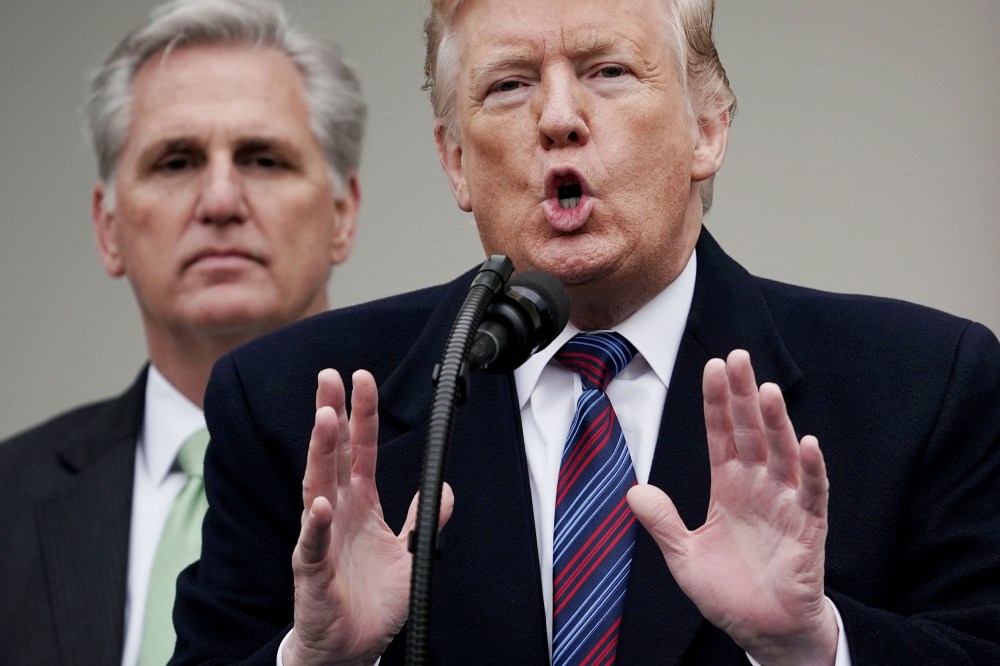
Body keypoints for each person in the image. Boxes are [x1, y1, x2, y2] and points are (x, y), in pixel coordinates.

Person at [171, 0, 1000, 664]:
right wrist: (316, 662)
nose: (558, 117)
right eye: (508, 85)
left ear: (707, 129)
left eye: (607, 71)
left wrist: (812, 647)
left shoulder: (927, 385)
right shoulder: (285, 401)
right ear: (455, 160)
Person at [0, 0, 366, 664]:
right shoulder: (8, 497)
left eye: (263, 159)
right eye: (175, 162)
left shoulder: (444, 471)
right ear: (108, 228)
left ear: (342, 214)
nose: (220, 202)